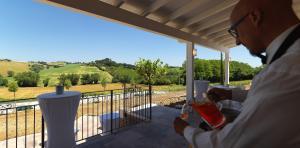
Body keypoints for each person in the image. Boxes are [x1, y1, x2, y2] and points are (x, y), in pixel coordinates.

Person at [173, 0, 300, 147]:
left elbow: (229, 144)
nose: (237, 41)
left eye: (235, 30)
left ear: (255, 17)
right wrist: (231, 94)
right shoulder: (288, 66)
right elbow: (275, 96)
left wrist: (185, 130)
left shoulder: (284, 71)